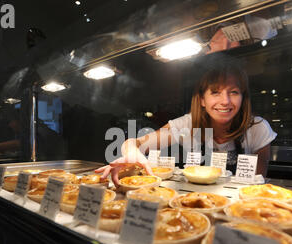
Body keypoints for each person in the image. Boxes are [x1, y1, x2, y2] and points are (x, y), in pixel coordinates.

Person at [96, 65, 277, 186]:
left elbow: (257, 183)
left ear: (243, 98)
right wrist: (131, 153)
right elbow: (135, 142)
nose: (225, 101)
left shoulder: (258, 128)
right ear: (202, 100)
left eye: (234, 92)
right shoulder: (187, 124)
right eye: (215, 92)